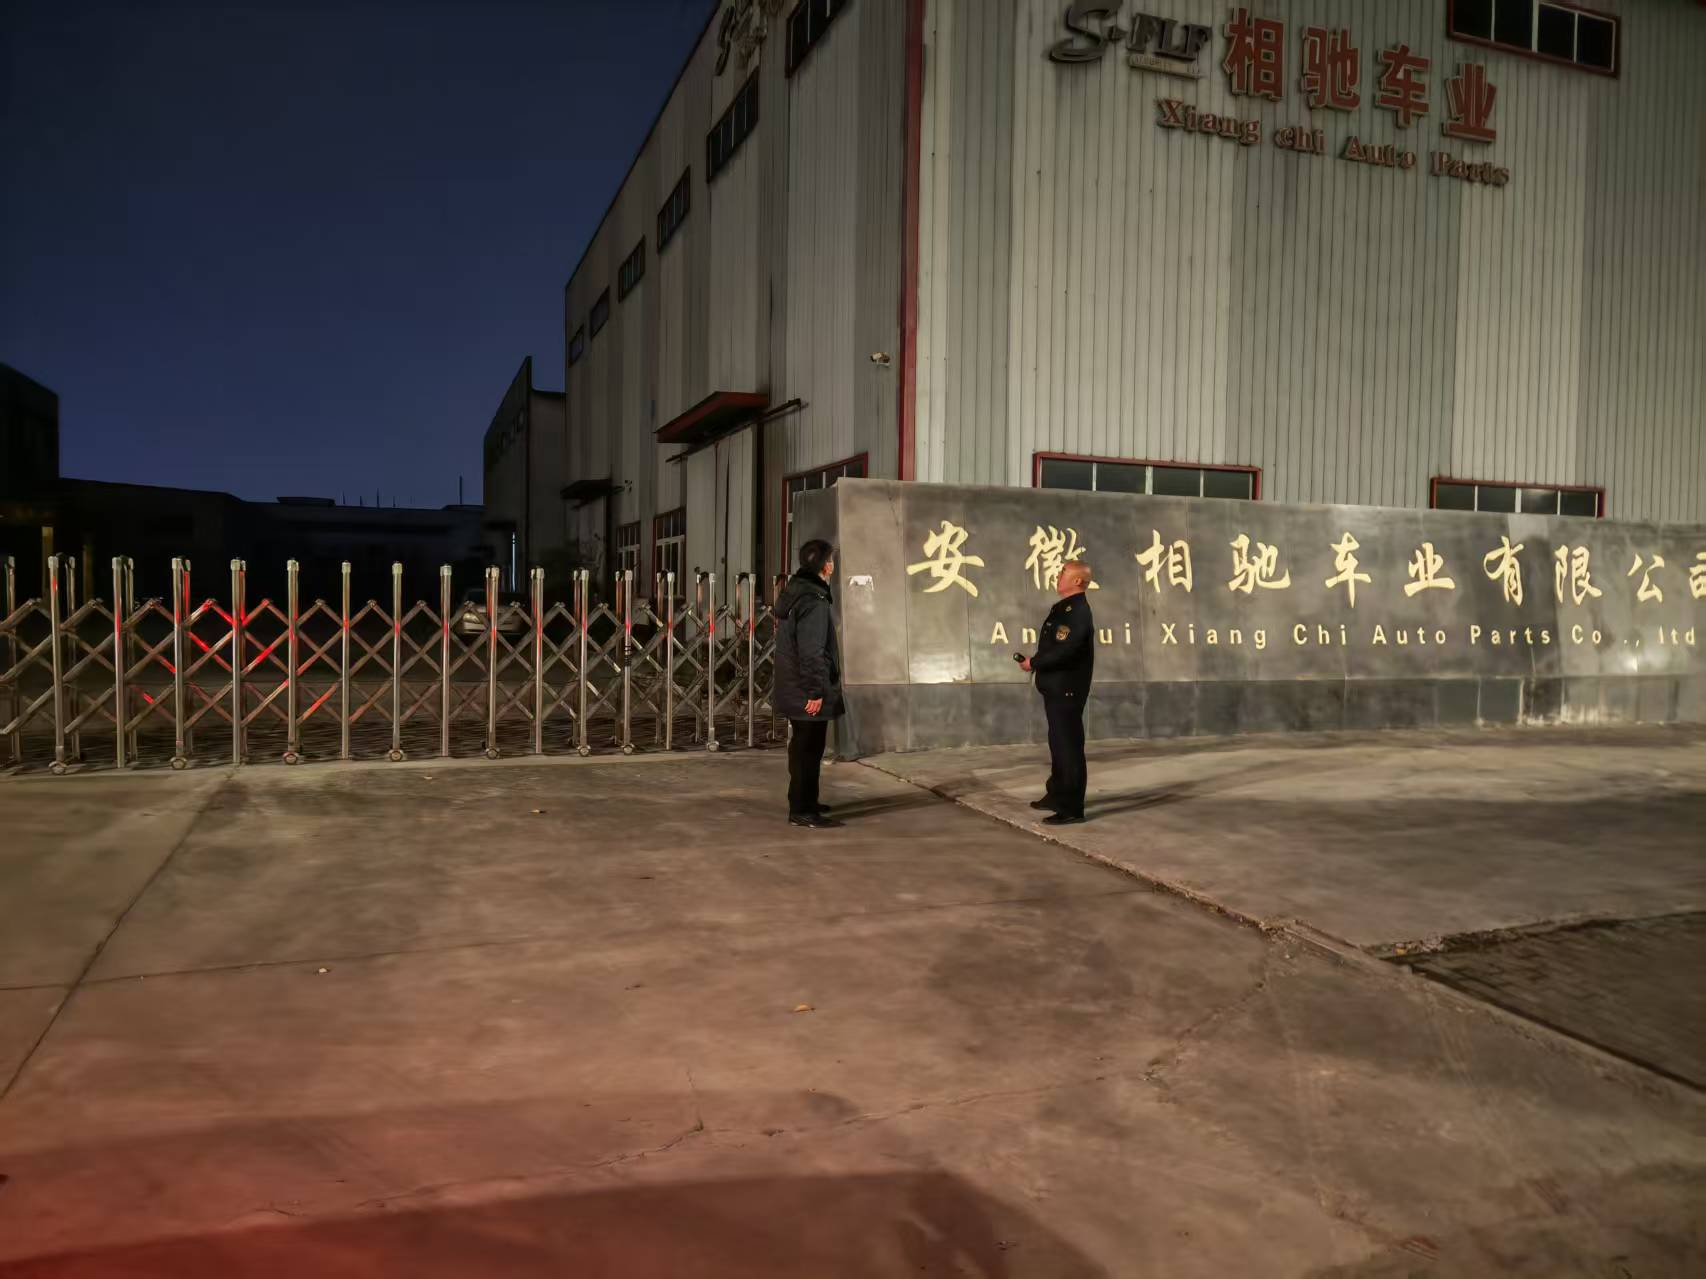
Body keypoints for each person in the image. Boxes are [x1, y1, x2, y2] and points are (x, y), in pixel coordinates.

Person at [773, 538, 843, 828]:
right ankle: (801, 809)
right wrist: (815, 691)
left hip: (794, 685)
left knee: (805, 747)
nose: (833, 565)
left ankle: (806, 801)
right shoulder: (813, 600)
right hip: (806, 688)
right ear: (825, 566)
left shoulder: (797, 592)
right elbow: (812, 651)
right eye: (831, 559)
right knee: (808, 749)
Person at [1018, 560, 1094, 825]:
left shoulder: (1078, 611)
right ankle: (1057, 794)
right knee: (1058, 744)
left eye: (1063, 572)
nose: (1058, 575)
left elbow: (1065, 649)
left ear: (1077, 581)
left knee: (1068, 747)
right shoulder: (1064, 608)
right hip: (1056, 687)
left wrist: (1033, 663)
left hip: (1067, 689)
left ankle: (1072, 807)